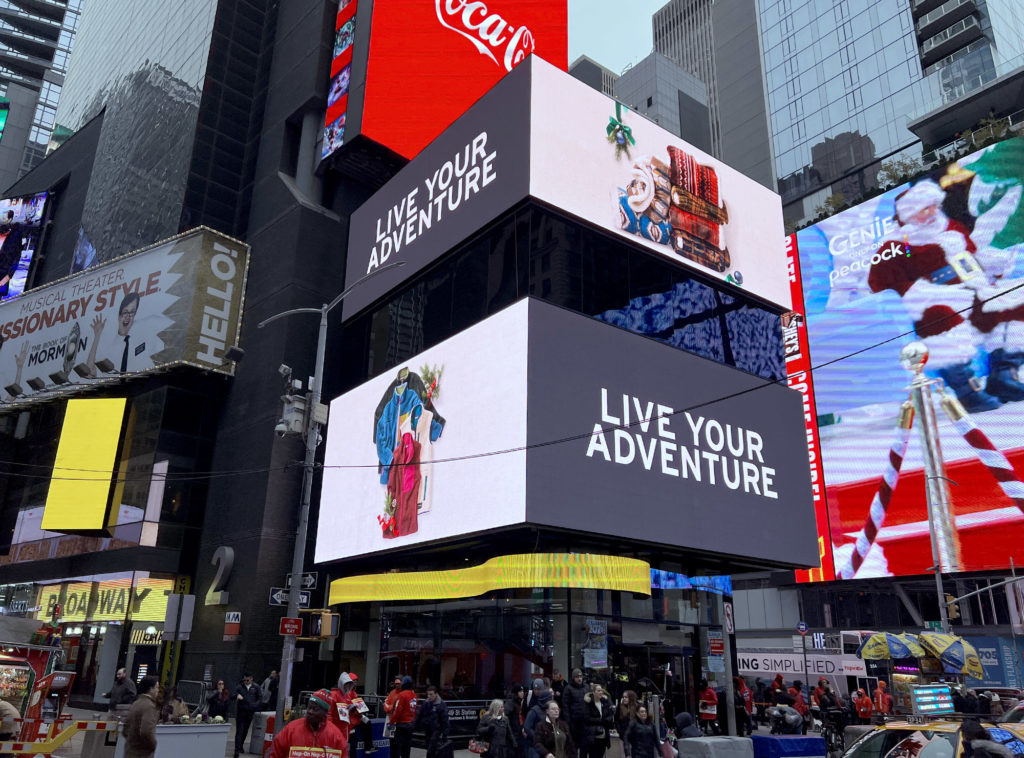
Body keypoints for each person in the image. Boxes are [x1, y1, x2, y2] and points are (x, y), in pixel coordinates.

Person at [867, 178, 1024, 413]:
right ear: (910, 214)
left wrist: (993, 264)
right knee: (942, 319)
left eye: (934, 206)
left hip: (975, 294)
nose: (932, 212)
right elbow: (883, 285)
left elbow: (974, 258)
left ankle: (1004, 376)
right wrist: (934, 293)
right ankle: (966, 391)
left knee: (1013, 301)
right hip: (935, 304)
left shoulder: (950, 227)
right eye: (924, 209)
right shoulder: (895, 246)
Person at [270, 688, 346, 758]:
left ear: (325, 712)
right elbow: (275, 753)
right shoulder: (291, 730)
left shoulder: (336, 736)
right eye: (309, 707)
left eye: (315, 709)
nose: (310, 711)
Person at [88, 291, 148, 376]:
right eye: (125, 312)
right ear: (119, 315)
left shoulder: (140, 340)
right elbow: (90, 373)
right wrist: (97, 336)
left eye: (132, 312)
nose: (128, 316)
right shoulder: (109, 345)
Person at [124, 675, 160, 758]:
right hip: (142, 753)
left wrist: (133, 741)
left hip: (130, 751)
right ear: (151, 689)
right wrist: (153, 745)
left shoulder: (136, 703)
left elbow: (126, 728)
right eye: (157, 687)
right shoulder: (149, 706)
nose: (158, 691)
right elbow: (146, 731)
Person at [414, 684, 449, 758]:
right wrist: (414, 725)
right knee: (429, 748)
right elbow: (419, 714)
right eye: (428, 694)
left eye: (431, 694)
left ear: (436, 694)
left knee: (431, 749)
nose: (429, 696)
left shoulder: (441, 704)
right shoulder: (426, 703)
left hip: (436, 730)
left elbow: (445, 720)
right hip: (427, 729)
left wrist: (445, 734)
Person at [234, 671, 263, 758]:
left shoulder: (256, 687)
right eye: (245, 679)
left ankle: (241, 745)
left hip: (250, 712)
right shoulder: (240, 686)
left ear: (251, 678)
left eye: (248, 679)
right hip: (241, 712)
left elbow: (260, 698)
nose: (247, 681)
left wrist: (255, 705)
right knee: (239, 730)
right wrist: (237, 695)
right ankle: (237, 749)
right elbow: (233, 694)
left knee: (245, 730)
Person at [583, 684, 613, 758]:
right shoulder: (589, 703)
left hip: (603, 736)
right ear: (593, 692)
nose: (601, 692)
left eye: (601, 690)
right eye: (598, 690)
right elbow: (587, 718)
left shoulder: (605, 702)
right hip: (593, 736)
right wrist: (601, 720)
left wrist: (609, 719)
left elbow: (610, 714)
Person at [391, 676, 418, 758]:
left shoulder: (402, 695)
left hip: (401, 725)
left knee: (397, 747)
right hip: (410, 725)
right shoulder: (414, 695)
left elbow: (398, 711)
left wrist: (391, 722)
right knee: (407, 748)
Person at [561, 670, 588, 751]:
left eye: (580, 677)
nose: (579, 679)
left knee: (584, 747)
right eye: (577, 677)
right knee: (573, 747)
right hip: (573, 723)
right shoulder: (568, 689)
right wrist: (568, 722)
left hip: (585, 722)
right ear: (573, 678)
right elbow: (565, 706)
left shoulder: (586, 688)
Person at [0, 210, 24, 298]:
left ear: (10, 219)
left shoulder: (15, 236)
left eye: (4, 217)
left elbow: (16, 258)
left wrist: (7, 278)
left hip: (2, 277)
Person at [525, 689, 554, 758]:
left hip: (546, 747)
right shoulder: (534, 711)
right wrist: (537, 736)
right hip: (534, 746)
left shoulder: (549, 711)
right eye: (550, 699)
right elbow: (527, 727)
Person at [505, 684, 527, 758]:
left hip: (518, 732)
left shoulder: (518, 702)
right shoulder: (511, 703)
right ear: (516, 693)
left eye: (523, 691)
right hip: (513, 733)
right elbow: (505, 717)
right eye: (520, 691)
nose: (522, 693)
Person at [616, 691, 638, 757]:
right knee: (624, 755)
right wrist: (620, 731)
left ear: (631, 698)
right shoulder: (620, 707)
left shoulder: (637, 707)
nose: (624, 698)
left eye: (626, 697)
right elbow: (616, 720)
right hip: (623, 736)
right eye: (623, 697)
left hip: (634, 736)